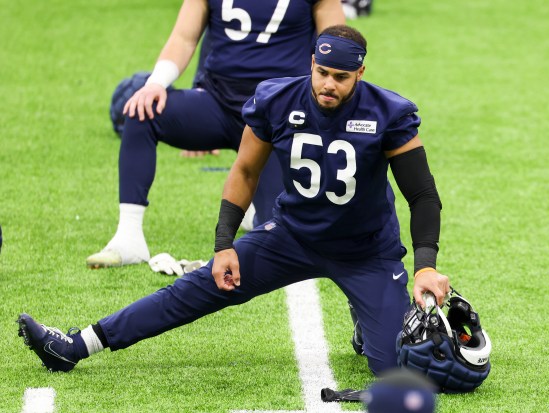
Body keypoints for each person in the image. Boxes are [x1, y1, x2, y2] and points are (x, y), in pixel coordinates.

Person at [18, 26, 450, 378]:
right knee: (193, 289)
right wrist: (224, 243)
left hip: (366, 251)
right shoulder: (277, 100)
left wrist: (425, 263)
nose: (328, 85)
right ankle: (77, 344)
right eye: (322, 72)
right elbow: (245, 171)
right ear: (311, 64)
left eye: (340, 77)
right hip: (291, 237)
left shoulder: (388, 112)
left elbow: (422, 194)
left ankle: (367, 316)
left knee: (396, 370)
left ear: (360, 73)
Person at [87, 0, 346, 269]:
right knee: (143, 111)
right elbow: (184, 37)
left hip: (277, 117)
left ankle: (255, 210)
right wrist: (155, 83)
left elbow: (339, 47)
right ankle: (129, 237)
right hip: (218, 102)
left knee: (279, 233)